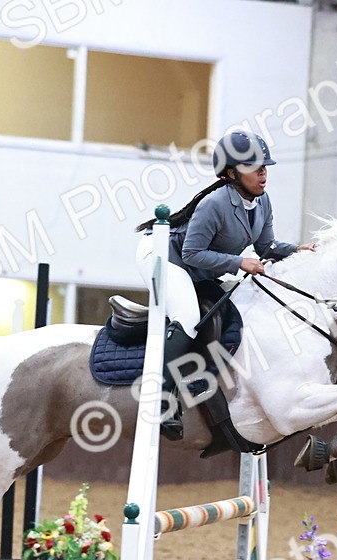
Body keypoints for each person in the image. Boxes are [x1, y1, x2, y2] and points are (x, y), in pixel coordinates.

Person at [135, 130, 316, 440]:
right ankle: (162, 401)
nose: (262, 174)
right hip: (164, 256)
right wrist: (237, 263)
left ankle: (195, 377)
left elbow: (266, 245)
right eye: (254, 168)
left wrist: (297, 249)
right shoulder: (215, 203)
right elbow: (191, 253)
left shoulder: (261, 201)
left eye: (264, 167)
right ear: (232, 173)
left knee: (231, 315)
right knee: (189, 317)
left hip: (196, 267)